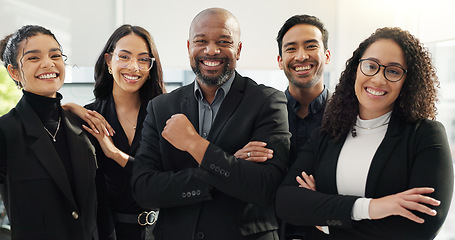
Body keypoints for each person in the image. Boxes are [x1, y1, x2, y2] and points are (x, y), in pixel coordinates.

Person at [276, 27, 454, 239]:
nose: (378, 80)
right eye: (371, 66)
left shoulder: (425, 135)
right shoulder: (329, 131)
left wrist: (325, 222)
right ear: (355, 70)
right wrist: (372, 208)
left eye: (394, 71)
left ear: (408, 81)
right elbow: (286, 202)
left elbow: (421, 227)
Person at [131, 7, 291, 240]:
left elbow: (264, 187)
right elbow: (144, 189)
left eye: (224, 41)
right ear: (189, 48)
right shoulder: (161, 107)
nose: (212, 50)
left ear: (238, 48)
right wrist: (229, 165)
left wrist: (194, 144)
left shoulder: (267, 101)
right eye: (201, 41)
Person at [64, 24, 165, 240]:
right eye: (125, 57)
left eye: (143, 59)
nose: (134, 67)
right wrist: (68, 107)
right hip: (108, 232)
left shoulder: (165, 116)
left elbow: (165, 178)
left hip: (162, 231)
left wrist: (115, 154)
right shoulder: (89, 117)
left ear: (151, 67)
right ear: (109, 61)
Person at [0, 25, 98, 239]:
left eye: (55, 55)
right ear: (14, 71)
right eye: (33, 58)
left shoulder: (82, 124)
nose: (48, 63)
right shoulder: (6, 131)